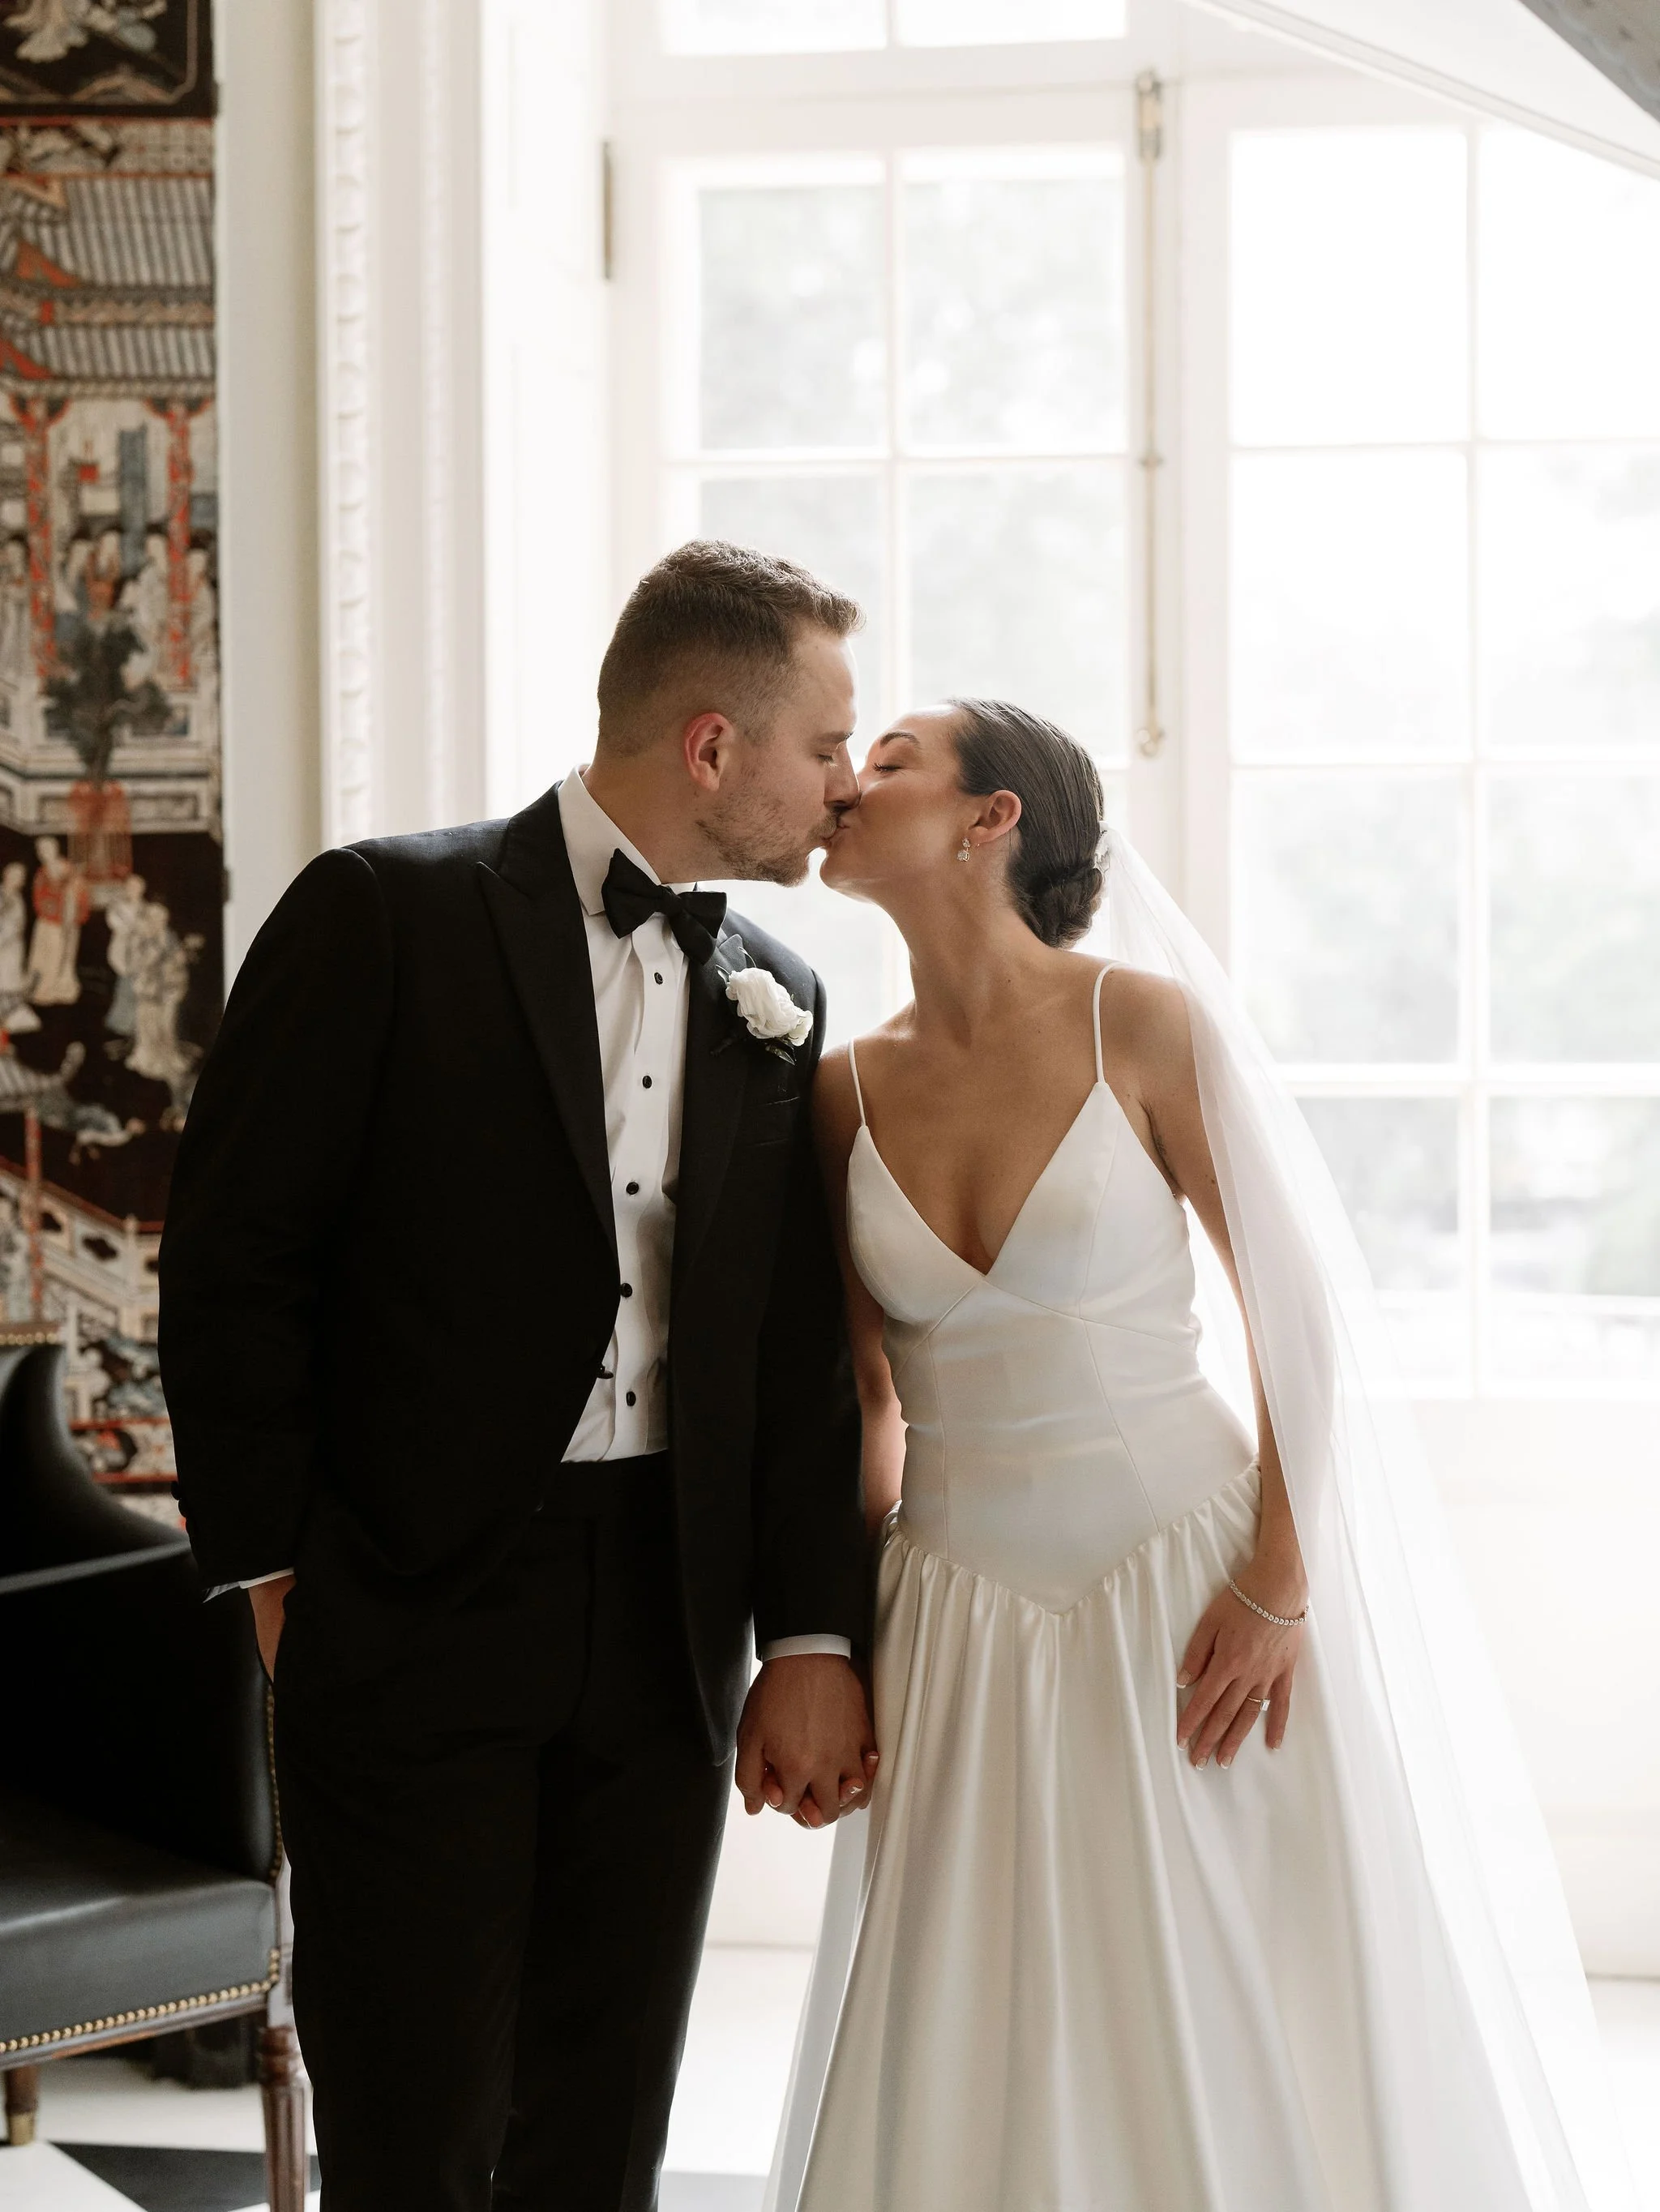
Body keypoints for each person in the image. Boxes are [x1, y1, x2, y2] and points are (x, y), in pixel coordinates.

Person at [768, 699, 1633, 2212]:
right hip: (957, 1620)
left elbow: (1301, 1327)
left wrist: (1281, 1584)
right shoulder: (842, 1088)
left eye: (892, 760)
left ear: (992, 820)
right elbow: (865, 1409)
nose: (848, 781)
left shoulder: (1140, 1025)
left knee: (1236, 1990)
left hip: (1186, 1590)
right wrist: (828, 1646)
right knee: (984, 2020)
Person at [157, 543, 878, 2212]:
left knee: (603, 2123)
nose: (840, 786)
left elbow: (784, 1351)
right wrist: (278, 1569)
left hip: (664, 1615)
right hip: (408, 1606)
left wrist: (810, 1629)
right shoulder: (383, 913)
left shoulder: (777, 989)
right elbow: (234, 1259)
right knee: (410, 2126)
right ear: (713, 745)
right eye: (824, 745)